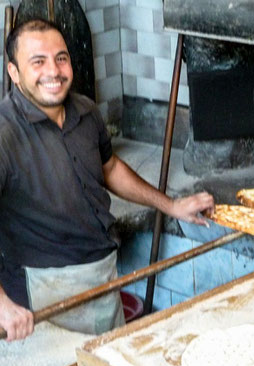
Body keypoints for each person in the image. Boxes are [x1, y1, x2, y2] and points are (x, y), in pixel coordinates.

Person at [0, 19, 214, 342]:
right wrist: (3, 305)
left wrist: (171, 205)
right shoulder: (5, 134)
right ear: (14, 72)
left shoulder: (84, 110)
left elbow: (110, 167)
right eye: (38, 61)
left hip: (101, 275)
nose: (54, 71)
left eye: (61, 58)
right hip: (43, 289)